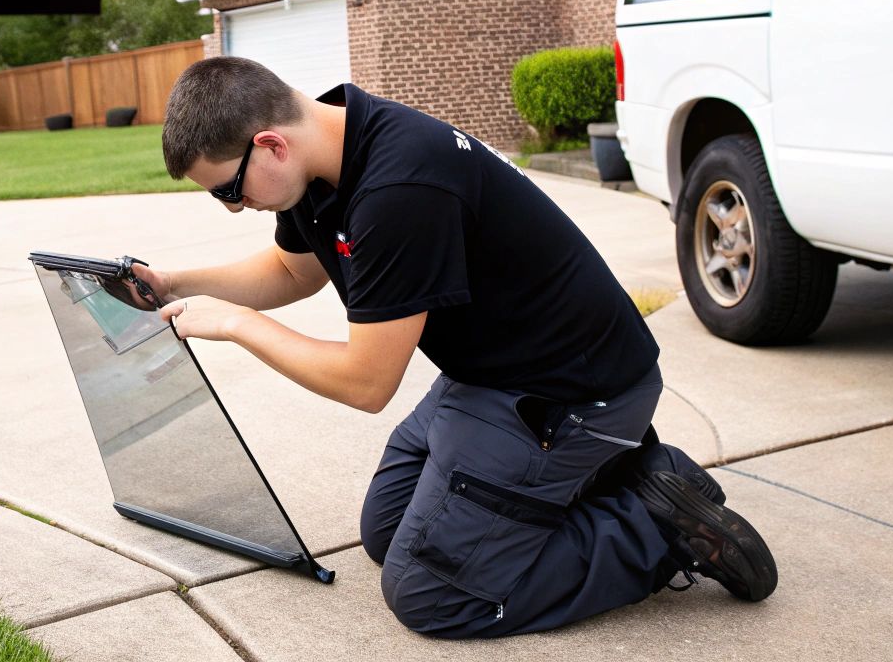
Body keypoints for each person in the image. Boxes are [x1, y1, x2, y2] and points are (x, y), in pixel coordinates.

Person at [133, 56, 776, 638]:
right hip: (491, 374)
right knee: (386, 534)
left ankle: (654, 524)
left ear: (269, 143)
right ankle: (585, 484)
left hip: (575, 395)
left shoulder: (398, 191)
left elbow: (367, 382)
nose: (233, 206)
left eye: (228, 189)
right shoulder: (328, 151)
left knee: (431, 592)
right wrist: (173, 283)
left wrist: (238, 326)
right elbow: (291, 270)